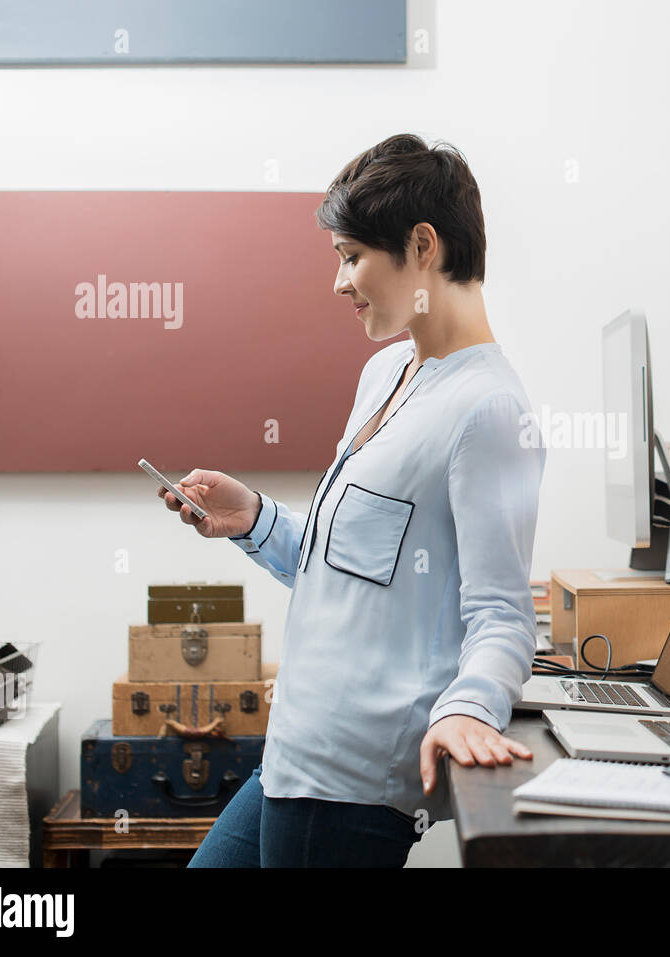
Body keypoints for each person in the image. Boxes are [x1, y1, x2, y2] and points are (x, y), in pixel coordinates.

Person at [158, 133, 545, 867]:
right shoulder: (386, 371)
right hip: (294, 752)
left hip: (351, 783)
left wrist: (469, 707)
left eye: (351, 256)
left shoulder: (489, 410)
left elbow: (502, 613)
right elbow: (351, 565)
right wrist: (256, 520)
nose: (339, 281)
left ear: (422, 245)